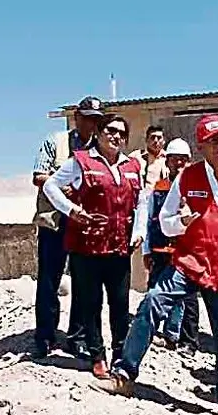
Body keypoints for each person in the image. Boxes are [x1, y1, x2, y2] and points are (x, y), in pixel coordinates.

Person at [94, 113, 218, 415]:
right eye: (215, 140)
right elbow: (165, 222)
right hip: (191, 262)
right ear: (201, 145)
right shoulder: (187, 178)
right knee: (152, 304)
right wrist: (183, 222)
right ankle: (124, 374)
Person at [42, 114, 146, 379]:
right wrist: (71, 209)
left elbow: (142, 201)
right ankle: (97, 355)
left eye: (122, 133)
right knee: (91, 304)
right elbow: (51, 185)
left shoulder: (133, 165)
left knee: (121, 305)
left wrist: (139, 231)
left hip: (119, 247)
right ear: (99, 133)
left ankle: (121, 355)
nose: (116, 137)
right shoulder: (81, 161)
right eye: (111, 131)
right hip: (86, 246)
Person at [31, 96, 103, 358]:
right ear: (77, 118)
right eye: (87, 118)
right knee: (50, 280)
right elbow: (38, 176)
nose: (91, 124)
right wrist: (62, 185)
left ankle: (77, 337)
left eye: (96, 119)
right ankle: (45, 336)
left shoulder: (100, 148)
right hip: (55, 222)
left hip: (84, 224)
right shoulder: (56, 142)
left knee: (84, 283)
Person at [143, 138, 200, 355]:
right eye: (174, 159)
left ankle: (188, 341)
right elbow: (150, 220)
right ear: (167, 162)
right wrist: (147, 250)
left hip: (186, 253)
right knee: (155, 292)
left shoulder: (196, 188)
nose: (178, 164)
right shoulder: (159, 188)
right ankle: (159, 334)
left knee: (188, 298)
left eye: (183, 160)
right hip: (160, 251)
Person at [130, 125, 171, 191]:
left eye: (159, 138)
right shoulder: (136, 157)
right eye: (152, 137)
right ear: (146, 140)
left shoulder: (169, 158)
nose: (155, 141)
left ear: (164, 141)